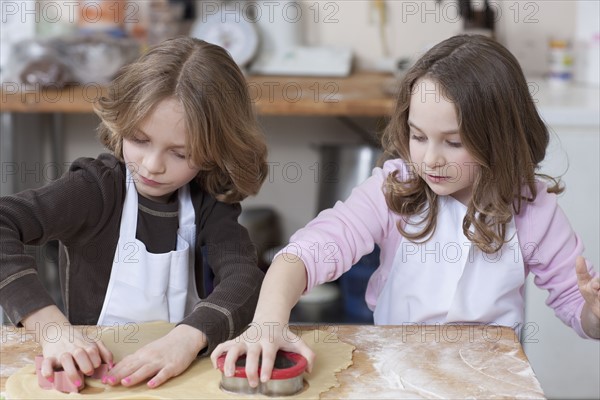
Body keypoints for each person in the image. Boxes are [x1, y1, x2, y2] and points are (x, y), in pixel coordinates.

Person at [210, 34, 600, 388]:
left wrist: (594, 314)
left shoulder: (531, 207)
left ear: (498, 138)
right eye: (418, 136)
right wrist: (267, 322)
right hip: (396, 370)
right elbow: (309, 251)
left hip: (490, 377)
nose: (430, 158)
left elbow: (575, 303)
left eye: (453, 142)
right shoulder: (396, 188)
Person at [0, 37, 268, 389]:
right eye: (140, 140)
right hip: (95, 377)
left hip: (179, 375)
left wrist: (185, 340)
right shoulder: (96, 190)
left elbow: (244, 279)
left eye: (180, 153)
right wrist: (52, 330)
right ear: (121, 121)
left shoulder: (207, 202)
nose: (152, 165)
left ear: (215, 151)